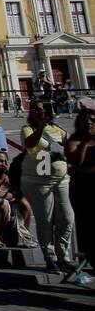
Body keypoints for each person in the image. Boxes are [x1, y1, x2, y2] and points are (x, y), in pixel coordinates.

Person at [20, 102, 74, 272]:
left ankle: (63, 255)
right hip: (38, 181)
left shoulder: (58, 129)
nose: (41, 113)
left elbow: (70, 146)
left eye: (44, 110)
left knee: (66, 218)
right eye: (37, 110)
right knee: (45, 220)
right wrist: (41, 127)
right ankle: (50, 257)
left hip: (61, 179)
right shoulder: (27, 129)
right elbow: (30, 144)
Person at [66, 108, 94, 271]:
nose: (89, 123)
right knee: (88, 228)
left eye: (93, 120)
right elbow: (77, 163)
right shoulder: (74, 141)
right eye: (85, 120)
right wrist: (86, 141)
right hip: (83, 190)